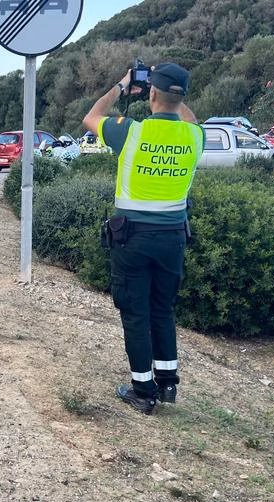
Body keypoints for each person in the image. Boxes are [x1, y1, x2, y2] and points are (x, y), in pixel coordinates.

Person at [82, 62, 205, 415]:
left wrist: (122, 86)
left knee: (135, 313)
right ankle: (167, 383)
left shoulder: (131, 132)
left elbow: (92, 117)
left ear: (150, 93)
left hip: (132, 238)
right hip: (173, 238)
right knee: (162, 308)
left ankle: (142, 390)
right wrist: (173, 95)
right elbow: (187, 116)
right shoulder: (195, 135)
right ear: (181, 99)